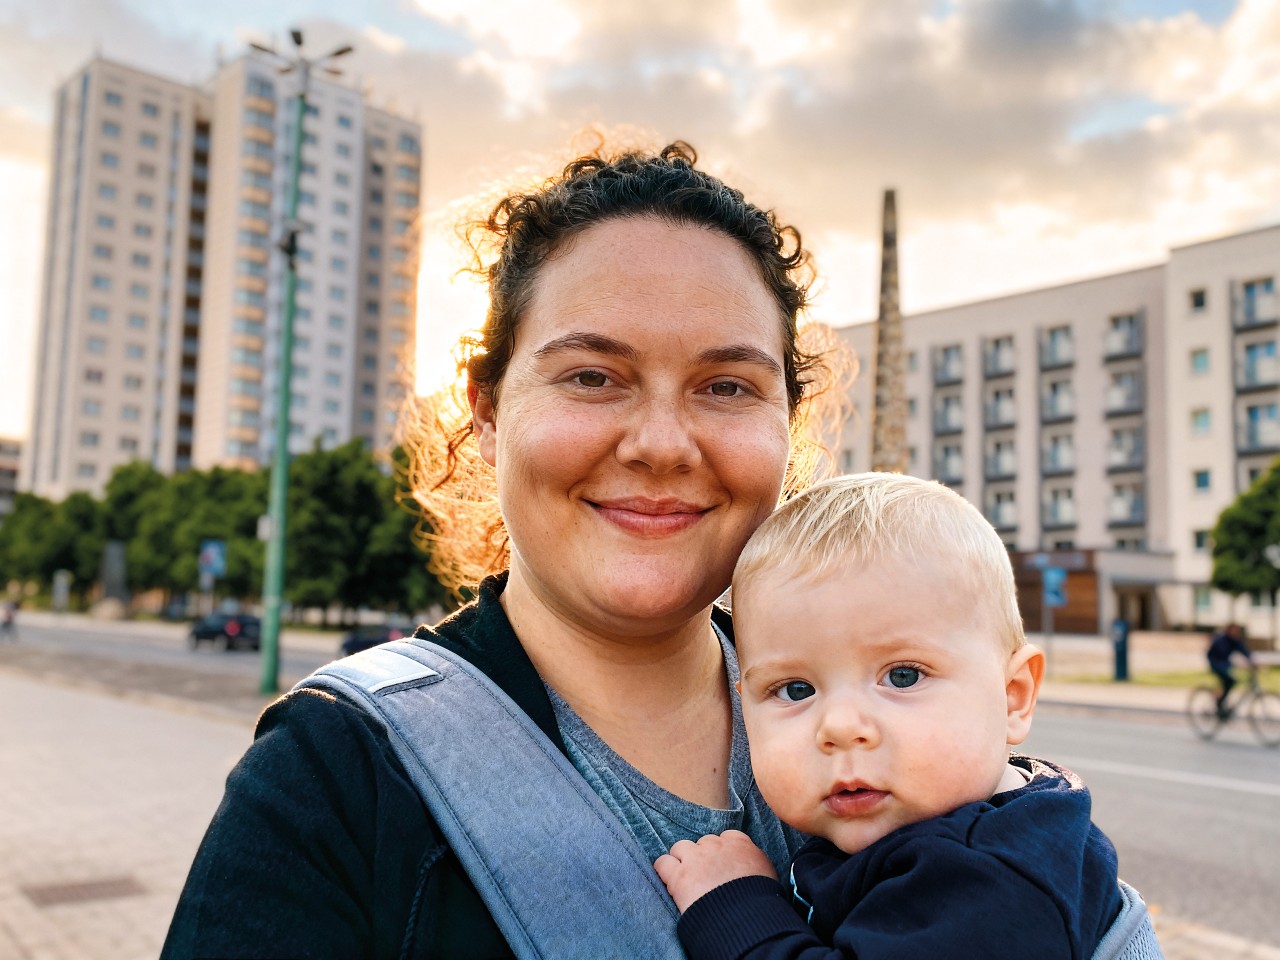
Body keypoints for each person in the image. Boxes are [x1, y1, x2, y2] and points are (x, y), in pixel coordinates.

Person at [162, 140, 829, 958]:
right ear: (485, 412)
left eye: (726, 386)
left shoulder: (903, 716)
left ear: (785, 427)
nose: (663, 444)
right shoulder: (333, 782)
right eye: (592, 376)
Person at [655, 473, 1126, 960]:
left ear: (1012, 697)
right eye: (795, 689)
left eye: (903, 676)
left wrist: (735, 906)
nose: (839, 727)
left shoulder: (992, 879)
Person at [1208, 622, 1255, 719]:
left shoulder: (1233, 641)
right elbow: (1219, 654)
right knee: (1229, 680)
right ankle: (1220, 702)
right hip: (1216, 663)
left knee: (1231, 681)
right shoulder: (1221, 640)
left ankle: (1222, 701)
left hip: (1225, 664)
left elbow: (1243, 650)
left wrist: (1251, 661)